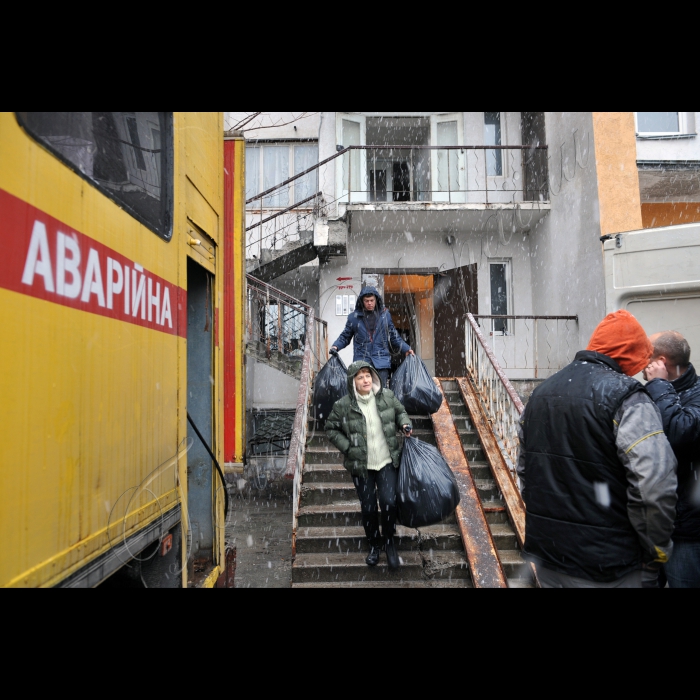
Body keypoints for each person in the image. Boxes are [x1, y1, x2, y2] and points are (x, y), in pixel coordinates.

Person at [517, 310, 677, 588]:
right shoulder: (629, 397)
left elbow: (525, 472)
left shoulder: (541, 394)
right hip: (611, 565)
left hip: (551, 558)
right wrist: (657, 549)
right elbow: (653, 485)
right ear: (628, 355)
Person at [325, 361, 412, 570]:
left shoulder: (387, 396)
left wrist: (405, 423)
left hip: (386, 461)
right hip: (361, 465)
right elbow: (330, 428)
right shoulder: (343, 405)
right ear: (352, 381)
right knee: (369, 507)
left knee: (389, 502)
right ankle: (374, 544)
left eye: (368, 375)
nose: (365, 380)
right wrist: (348, 447)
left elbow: (400, 412)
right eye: (360, 376)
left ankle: (389, 542)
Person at [644, 331, 700, 588]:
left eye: (648, 356)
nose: (642, 362)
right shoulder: (652, 392)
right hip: (654, 524)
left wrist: (659, 385)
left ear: (662, 363)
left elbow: (680, 432)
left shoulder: (696, 393)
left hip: (687, 529)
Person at [331, 286, 414, 388]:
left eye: (371, 300)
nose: (369, 303)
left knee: (380, 393)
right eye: (366, 301)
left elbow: (394, 336)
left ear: (376, 300)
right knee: (362, 393)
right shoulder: (354, 318)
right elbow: (345, 336)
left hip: (381, 361)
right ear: (362, 301)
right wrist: (335, 346)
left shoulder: (385, 315)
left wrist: (406, 348)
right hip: (362, 361)